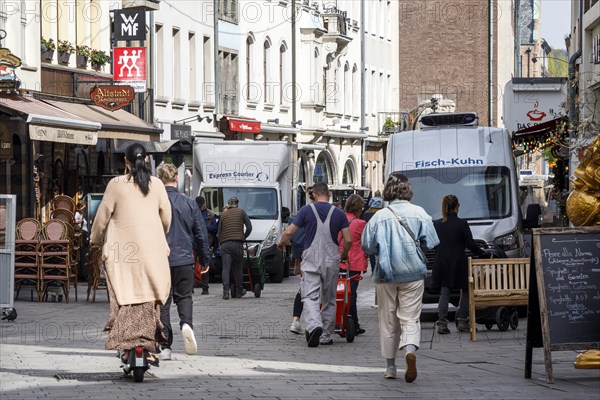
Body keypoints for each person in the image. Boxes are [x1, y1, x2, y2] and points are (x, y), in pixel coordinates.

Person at [89, 142, 171, 366]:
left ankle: (125, 345)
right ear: (146, 160)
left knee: (123, 293)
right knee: (149, 296)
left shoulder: (116, 184)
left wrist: (94, 239)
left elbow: (102, 218)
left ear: (125, 161)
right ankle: (150, 344)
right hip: (152, 252)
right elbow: (166, 219)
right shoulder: (156, 184)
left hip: (122, 252)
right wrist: (156, 235)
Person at [361, 172, 439, 382]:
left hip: (386, 274)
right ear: (408, 190)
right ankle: (409, 351)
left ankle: (390, 367)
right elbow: (431, 242)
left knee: (388, 319)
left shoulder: (379, 216)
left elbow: (367, 246)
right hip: (413, 274)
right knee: (410, 316)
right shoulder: (420, 213)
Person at [277, 182, 352, 347]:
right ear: (329, 194)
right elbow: (348, 239)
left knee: (310, 296)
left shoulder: (306, 210)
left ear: (314, 195)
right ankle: (326, 335)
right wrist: (344, 254)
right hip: (332, 258)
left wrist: (281, 243)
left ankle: (314, 325)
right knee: (330, 298)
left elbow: (289, 231)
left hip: (311, 257)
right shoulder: (339, 213)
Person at [157, 163, 211, 360]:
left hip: (160, 259)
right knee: (184, 296)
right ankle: (186, 324)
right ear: (176, 179)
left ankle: (165, 346)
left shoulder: (155, 202)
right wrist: (204, 259)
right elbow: (200, 234)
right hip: (185, 259)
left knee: (162, 301)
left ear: (158, 180)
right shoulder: (189, 203)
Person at [432, 194, 488, 335]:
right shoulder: (462, 224)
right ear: (457, 207)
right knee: (467, 289)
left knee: (445, 291)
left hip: (442, 262)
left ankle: (442, 323)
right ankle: (462, 320)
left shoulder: (437, 224)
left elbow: (433, 244)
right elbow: (471, 244)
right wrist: (481, 252)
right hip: (458, 262)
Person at [338, 194, 368, 335]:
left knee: (338, 294)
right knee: (351, 295)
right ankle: (352, 324)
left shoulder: (340, 219)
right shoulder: (360, 224)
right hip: (353, 263)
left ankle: (339, 321)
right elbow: (367, 243)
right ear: (359, 208)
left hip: (339, 261)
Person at [218, 196, 252, 300]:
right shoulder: (241, 212)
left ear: (229, 204)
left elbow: (219, 231)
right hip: (238, 244)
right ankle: (239, 291)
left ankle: (225, 292)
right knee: (238, 267)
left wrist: (222, 241)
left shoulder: (223, 215)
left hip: (225, 244)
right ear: (237, 203)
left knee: (226, 268)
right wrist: (243, 236)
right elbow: (249, 227)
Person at [195, 196, 218, 295]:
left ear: (204, 204)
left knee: (205, 264)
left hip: (206, 242)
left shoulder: (211, 214)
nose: (199, 207)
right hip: (194, 242)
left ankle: (205, 288)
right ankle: (191, 287)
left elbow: (215, 228)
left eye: (200, 205)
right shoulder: (193, 212)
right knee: (191, 264)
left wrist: (204, 227)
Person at [74, 199, 89, 281]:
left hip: (84, 234)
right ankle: (82, 274)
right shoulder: (77, 214)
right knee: (82, 254)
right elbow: (75, 222)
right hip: (81, 234)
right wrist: (80, 222)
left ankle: (84, 273)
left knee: (84, 254)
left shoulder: (81, 214)